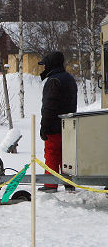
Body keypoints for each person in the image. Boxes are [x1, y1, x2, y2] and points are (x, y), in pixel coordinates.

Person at [38, 51, 77, 192]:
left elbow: (49, 106)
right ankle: (69, 183)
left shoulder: (53, 81)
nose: (44, 68)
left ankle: (50, 184)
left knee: (52, 153)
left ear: (51, 65)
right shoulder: (69, 78)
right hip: (69, 125)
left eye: (45, 65)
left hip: (54, 126)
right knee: (66, 156)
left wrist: (44, 126)